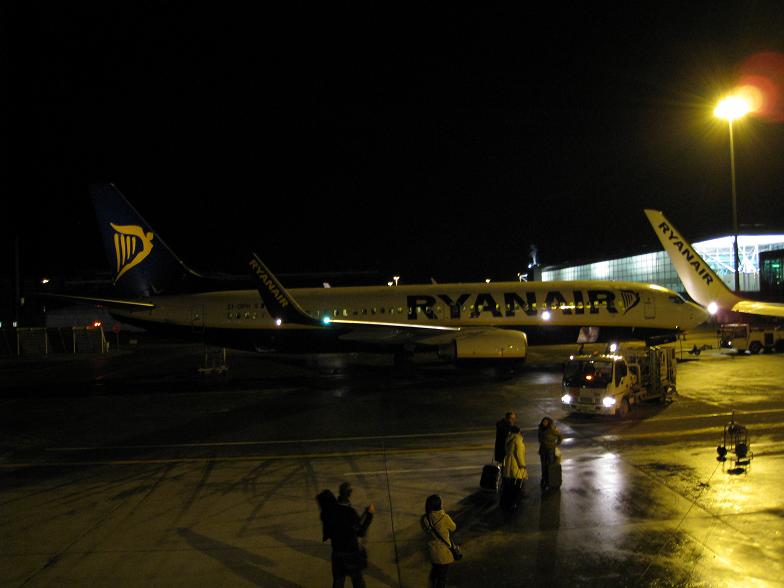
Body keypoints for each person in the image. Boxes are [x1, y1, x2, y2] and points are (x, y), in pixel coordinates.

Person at [329, 481, 376, 588]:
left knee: (338, 581)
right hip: (350, 554)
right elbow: (360, 532)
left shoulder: (332, 511)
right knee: (358, 581)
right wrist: (369, 515)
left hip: (337, 553)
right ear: (349, 494)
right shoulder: (350, 513)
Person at [421, 494, 457, 588]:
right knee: (442, 577)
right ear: (439, 505)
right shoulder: (444, 517)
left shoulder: (425, 518)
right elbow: (453, 527)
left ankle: (432, 584)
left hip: (432, 551)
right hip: (444, 553)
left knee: (436, 570)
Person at [500, 425, 527, 511]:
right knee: (517, 484)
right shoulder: (518, 439)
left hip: (508, 462)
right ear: (519, 431)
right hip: (515, 464)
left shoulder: (509, 438)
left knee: (509, 484)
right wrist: (522, 465)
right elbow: (519, 453)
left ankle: (505, 503)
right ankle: (514, 503)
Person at [538, 416, 563, 491]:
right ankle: (544, 480)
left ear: (549, 423)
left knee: (550, 466)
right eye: (543, 421)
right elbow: (539, 438)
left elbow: (560, 437)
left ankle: (551, 481)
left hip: (550, 450)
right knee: (543, 466)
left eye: (546, 422)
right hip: (542, 450)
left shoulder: (552, 430)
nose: (544, 423)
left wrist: (556, 444)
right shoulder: (540, 429)